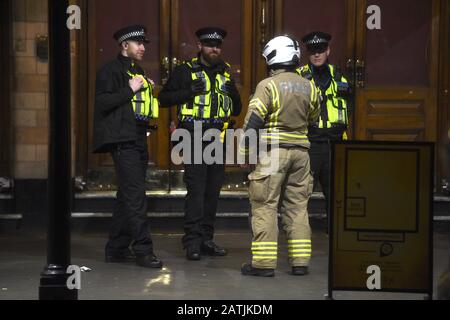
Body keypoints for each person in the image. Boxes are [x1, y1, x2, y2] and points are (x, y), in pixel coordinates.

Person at [159, 27, 242, 260]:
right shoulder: (184, 71)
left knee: (212, 192)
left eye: (217, 45)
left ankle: (207, 239)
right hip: (193, 135)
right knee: (196, 191)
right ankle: (192, 242)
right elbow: (163, 99)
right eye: (209, 45)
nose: (214, 49)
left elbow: (236, 109)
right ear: (199, 46)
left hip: (218, 136)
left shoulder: (226, 74)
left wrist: (233, 92)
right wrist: (187, 92)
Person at [240, 35, 320, 277]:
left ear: (273, 57)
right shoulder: (310, 86)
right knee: (297, 208)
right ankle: (300, 263)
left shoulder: (268, 86)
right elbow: (314, 120)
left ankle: (263, 264)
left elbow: (252, 123)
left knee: (265, 206)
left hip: (273, 153)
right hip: (302, 155)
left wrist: (245, 154)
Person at [93, 25, 162, 268]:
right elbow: (102, 102)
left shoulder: (138, 70)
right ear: (125, 45)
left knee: (126, 195)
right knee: (135, 196)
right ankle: (144, 250)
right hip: (123, 140)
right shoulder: (109, 71)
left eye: (144, 43)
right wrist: (130, 88)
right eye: (138, 43)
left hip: (138, 137)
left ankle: (116, 248)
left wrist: (145, 89)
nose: (143, 48)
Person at [297, 31, 350, 229]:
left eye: (320, 50)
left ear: (328, 50)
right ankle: (299, 232)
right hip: (310, 143)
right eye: (312, 51)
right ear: (307, 53)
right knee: (302, 193)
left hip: (336, 143)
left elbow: (349, 105)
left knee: (336, 192)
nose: (316, 55)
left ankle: (335, 232)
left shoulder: (339, 75)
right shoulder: (299, 77)